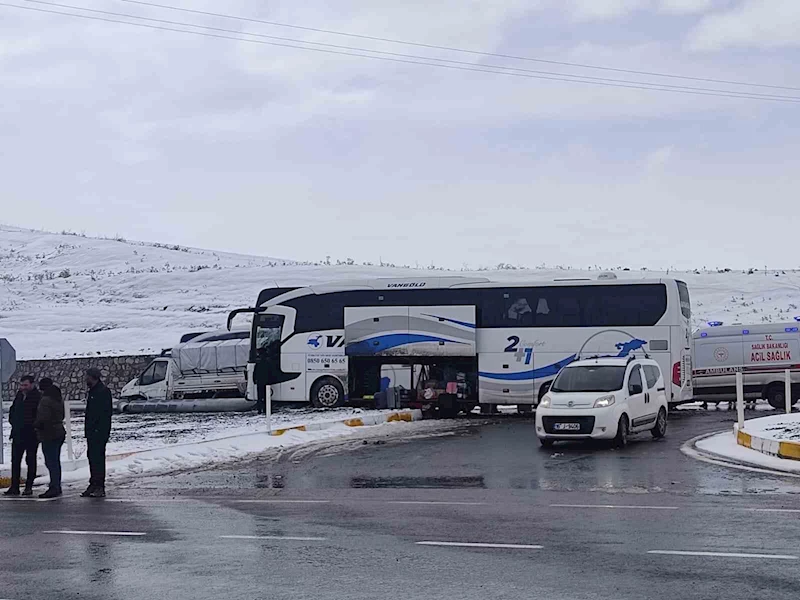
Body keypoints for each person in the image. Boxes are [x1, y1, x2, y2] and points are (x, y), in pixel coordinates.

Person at [3, 375, 41, 496]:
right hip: (17, 434)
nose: (23, 387)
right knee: (15, 461)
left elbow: (39, 415)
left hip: (31, 434)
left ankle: (29, 486)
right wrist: (14, 422)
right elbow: (13, 410)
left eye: (25, 385)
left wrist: (33, 426)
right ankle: (14, 487)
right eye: (21, 385)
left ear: (32, 384)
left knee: (30, 460)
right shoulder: (19, 396)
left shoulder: (37, 397)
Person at [81, 368, 112, 498]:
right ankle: (93, 483)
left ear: (93, 377)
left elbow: (105, 414)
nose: (85, 379)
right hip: (92, 431)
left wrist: (100, 430)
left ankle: (100, 485)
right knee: (92, 458)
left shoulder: (103, 391)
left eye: (87, 376)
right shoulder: (93, 391)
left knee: (98, 459)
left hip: (99, 432)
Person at [34, 378, 66, 499]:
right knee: (55, 461)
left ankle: (54, 487)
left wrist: (36, 425)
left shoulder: (45, 400)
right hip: (59, 431)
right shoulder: (58, 398)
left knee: (51, 461)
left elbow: (43, 418)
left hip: (49, 433)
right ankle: (56, 485)